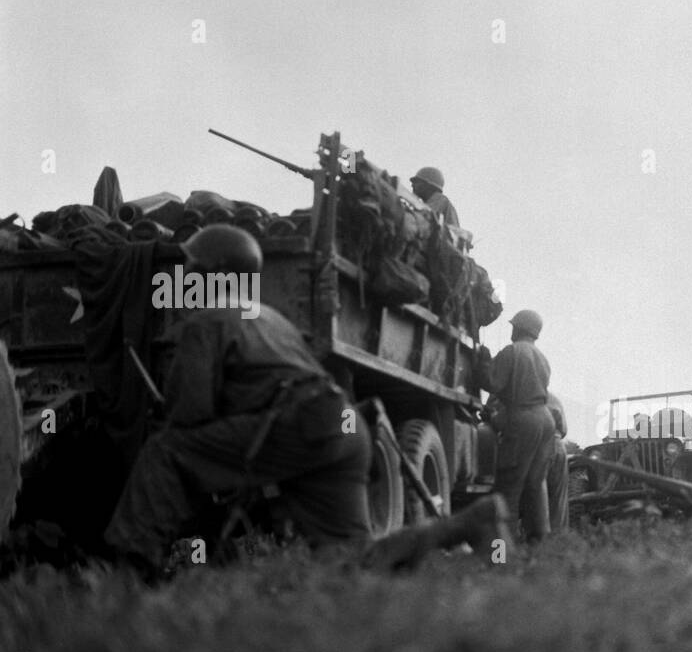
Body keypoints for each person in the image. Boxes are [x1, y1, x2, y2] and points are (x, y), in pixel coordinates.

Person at [104, 225, 508, 576]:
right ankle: (468, 523)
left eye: (195, 265)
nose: (188, 272)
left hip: (299, 428)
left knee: (166, 451)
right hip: (342, 427)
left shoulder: (205, 322)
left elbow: (190, 416)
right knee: (348, 561)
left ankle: (126, 570)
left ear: (216, 273)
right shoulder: (271, 318)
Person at [482, 308, 555, 543]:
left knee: (506, 492)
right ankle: (539, 548)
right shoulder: (542, 358)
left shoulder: (512, 352)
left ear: (518, 328)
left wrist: (483, 361)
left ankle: (500, 556)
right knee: (536, 485)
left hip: (523, 419)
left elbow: (492, 382)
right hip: (545, 421)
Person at [545, 392, 569, 533]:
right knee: (558, 500)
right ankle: (558, 542)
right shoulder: (555, 399)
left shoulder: (515, 394)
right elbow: (564, 429)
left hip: (534, 444)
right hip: (557, 445)